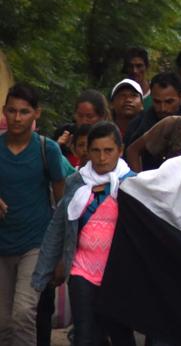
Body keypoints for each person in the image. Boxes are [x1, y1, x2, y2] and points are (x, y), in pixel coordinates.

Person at [33, 122, 136, 346]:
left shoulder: (134, 184)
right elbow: (58, 227)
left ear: (120, 150)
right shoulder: (76, 182)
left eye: (108, 151)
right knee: (85, 336)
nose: (102, 158)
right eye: (96, 151)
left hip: (117, 272)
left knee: (120, 334)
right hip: (82, 269)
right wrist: (45, 271)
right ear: (87, 152)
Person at [1, 85, 67, 346]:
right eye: (12, 111)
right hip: (2, 245)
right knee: (3, 323)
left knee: (23, 313)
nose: (17, 118)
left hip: (35, 244)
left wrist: (60, 254)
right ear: (4, 112)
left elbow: (62, 203)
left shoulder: (47, 149)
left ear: (36, 114)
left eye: (24, 112)